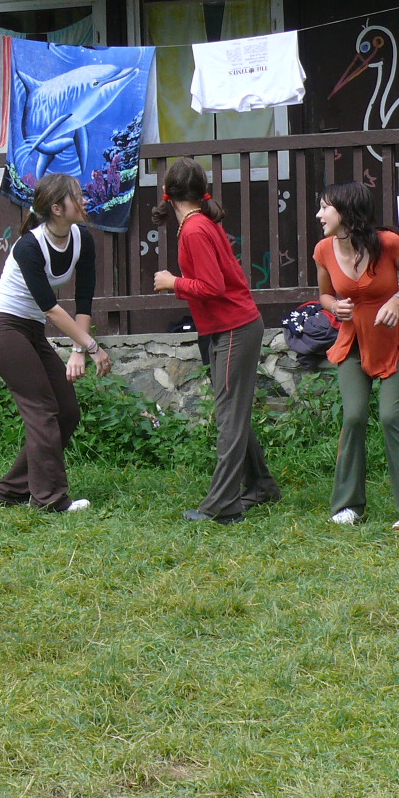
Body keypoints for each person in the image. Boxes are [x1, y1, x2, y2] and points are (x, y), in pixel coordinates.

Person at [151, 157, 281, 523]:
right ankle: (261, 486)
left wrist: (172, 282)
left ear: (167, 191)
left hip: (234, 328)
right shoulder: (201, 222)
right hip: (228, 327)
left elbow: (212, 287)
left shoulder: (194, 229)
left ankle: (223, 506)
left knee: (228, 417)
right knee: (234, 412)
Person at [0, 172, 113, 512]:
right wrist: (93, 347)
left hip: (31, 330)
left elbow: (84, 300)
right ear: (56, 208)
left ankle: (11, 491)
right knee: (42, 409)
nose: (84, 200)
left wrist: (79, 350)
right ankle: (50, 499)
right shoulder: (29, 246)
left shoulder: (82, 238)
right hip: (2, 327)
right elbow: (51, 308)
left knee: (66, 410)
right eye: (77, 195)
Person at [313, 181, 399, 529]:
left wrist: (397, 299)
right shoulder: (323, 250)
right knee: (353, 417)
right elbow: (324, 295)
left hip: (395, 341)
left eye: (325, 207)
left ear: (346, 212)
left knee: (391, 417)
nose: (319, 215)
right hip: (353, 342)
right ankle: (348, 506)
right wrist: (334, 306)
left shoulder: (389, 243)